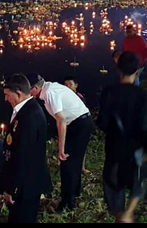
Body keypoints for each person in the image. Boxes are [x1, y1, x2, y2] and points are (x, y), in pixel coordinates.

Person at [97, 52, 147, 224]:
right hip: (135, 147)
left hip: (114, 146)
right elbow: (145, 126)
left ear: (118, 70)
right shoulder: (142, 96)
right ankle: (128, 213)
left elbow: (102, 123)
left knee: (114, 184)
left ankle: (120, 215)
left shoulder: (109, 93)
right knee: (137, 180)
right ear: (137, 71)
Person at [28, 73, 92, 212]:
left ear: (35, 88)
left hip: (79, 125)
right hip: (81, 122)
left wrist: (61, 149)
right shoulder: (51, 88)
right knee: (73, 163)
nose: (29, 94)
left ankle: (67, 202)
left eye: (29, 91)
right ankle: (73, 195)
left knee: (67, 164)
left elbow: (61, 120)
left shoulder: (50, 94)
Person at [0, 74, 52, 224]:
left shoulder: (29, 116)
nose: (6, 99)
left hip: (25, 185)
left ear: (18, 93)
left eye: (7, 95)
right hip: (24, 184)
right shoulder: (26, 110)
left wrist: (12, 188)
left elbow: (23, 156)